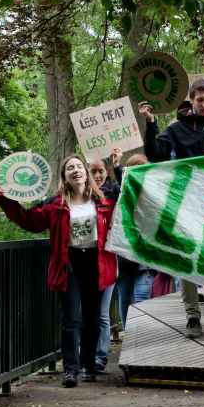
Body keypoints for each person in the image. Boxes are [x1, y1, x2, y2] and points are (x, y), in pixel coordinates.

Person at [0, 155, 116, 387]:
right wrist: (6, 200)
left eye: (79, 166)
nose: (76, 170)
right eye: (70, 168)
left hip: (95, 263)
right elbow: (30, 221)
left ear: (86, 173)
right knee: (71, 319)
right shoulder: (56, 206)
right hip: (68, 263)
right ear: (65, 177)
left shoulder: (104, 203)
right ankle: (71, 370)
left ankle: (89, 365)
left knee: (91, 318)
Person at [140, 77, 204, 339]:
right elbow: (155, 154)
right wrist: (151, 123)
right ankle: (192, 315)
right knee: (186, 259)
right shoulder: (177, 128)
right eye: (200, 100)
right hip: (185, 203)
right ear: (192, 101)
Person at [114, 153, 157, 329]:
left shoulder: (153, 195)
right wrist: (117, 166)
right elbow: (121, 183)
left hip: (144, 261)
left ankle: (140, 339)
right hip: (124, 260)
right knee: (124, 300)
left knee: (141, 301)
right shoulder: (122, 193)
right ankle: (128, 336)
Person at [88, 157, 119, 374]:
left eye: (101, 172)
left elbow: (128, 189)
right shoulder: (78, 198)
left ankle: (99, 357)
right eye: (94, 172)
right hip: (83, 264)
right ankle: (86, 357)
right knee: (85, 313)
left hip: (106, 263)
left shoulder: (112, 195)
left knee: (102, 314)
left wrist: (117, 166)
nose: (98, 176)